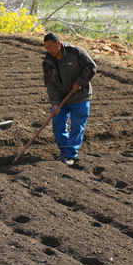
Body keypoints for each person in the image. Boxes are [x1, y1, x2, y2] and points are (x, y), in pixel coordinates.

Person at [42, 32, 97, 166]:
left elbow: (91, 67)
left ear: (58, 44)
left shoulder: (75, 52)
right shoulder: (48, 62)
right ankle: (64, 151)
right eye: (46, 48)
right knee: (57, 123)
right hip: (62, 98)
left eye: (51, 47)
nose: (49, 50)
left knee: (77, 126)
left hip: (80, 97)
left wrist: (80, 82)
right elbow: (50, 84)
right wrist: (55, 103)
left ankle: (70, 154)